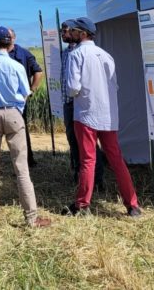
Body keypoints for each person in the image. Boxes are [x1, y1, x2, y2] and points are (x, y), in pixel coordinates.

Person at [63, 17, 141, 217]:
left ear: (82, 34)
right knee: (116, 160)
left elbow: (72, 88)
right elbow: (114, 84)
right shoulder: (106, 55)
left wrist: (76, 94)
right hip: (108, 114)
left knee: (88, 159)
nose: (70, 33)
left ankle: (82, 205)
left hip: (86, 113)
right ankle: (132, 205)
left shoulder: (76, 55)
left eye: (73, 31)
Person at [0, 26, 50, 227]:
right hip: (14, 114)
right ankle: (31, 217)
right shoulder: (16, 65)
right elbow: (25, 91)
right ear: (9, 43)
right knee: (21, 167)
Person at [60, 20, 105, 190]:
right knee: (73, 140)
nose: (64, 35)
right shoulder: (65, 53)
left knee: (89, 144)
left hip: (81, 104)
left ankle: (97, 179)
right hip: (68, 103)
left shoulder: (84, 52)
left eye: (66, 31)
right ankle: (78, 173)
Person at [7, 28, 43, 167]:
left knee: (21, 130)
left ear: (14, 38)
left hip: (20, 100)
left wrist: (31, 90)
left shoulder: (24, 53)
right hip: (3, 100)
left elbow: (38, 72)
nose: (7, 39)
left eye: (9, 37)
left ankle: (28, 159)